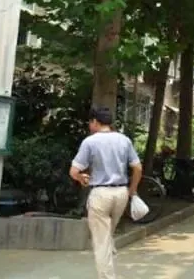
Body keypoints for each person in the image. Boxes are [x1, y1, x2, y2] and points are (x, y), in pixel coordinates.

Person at [69, 106, 143, 279]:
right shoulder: (124, 140)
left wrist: (81, 178)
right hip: (121, 193)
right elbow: (138, 168)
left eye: (90, 122)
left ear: (95, 121)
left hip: (100, 194)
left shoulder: (90, 142)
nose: (89, 126)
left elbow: (73, 171)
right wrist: (132, 190)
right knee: (107, 234)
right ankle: (110, 253)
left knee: (101, 242)